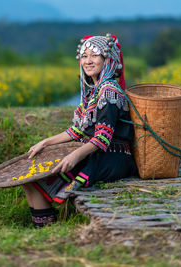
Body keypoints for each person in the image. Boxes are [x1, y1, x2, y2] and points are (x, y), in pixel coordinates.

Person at [23, 33, 138, 228]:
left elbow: (102, 138)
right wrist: (45, 142)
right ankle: (43, 228)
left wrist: (75, 156)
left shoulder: (109, 91)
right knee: (30, 180)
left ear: (107, 59)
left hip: (111, 157)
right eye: (84, 56)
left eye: (94, 55)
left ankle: (45, 229)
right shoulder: (93, 92)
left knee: (39, 180)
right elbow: (75, 131)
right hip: (96, 153)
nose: (88, 61)